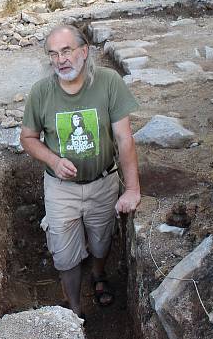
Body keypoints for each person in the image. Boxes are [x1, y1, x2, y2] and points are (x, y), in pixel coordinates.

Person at [20, 24, 141, 317]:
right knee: (63, 255)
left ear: (84, 52)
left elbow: (124, 138)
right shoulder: (41, 93)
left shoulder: (109, 82)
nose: (61, 60)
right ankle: (73, 310)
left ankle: (99, 274)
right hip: (61, 189)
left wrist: (132, 188)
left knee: (101, 240)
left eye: (66, 51)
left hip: (103, 182)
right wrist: (52, 160)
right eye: (53, 54)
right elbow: (27, 138)